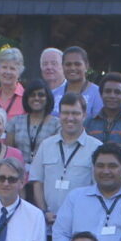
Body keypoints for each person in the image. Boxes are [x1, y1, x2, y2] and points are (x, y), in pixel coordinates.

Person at [29, 93, 101, 222]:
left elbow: (99, 187)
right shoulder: (46, 145)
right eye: (65, 113)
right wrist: (44, 212)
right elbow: (37, 181)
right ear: (59, 115)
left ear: (84, 115)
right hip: (49, 223)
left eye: (75, 113)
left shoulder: (96, 148)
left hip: (81, 223)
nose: (70, 118)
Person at [7, 82, 58, 155]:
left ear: (48, 98)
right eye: (32, 95)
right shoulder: (15, 122)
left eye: (41, 95)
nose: (36, 98)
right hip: (19, 165)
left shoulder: (57, 124)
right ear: (27, 98)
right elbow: (9, 152)